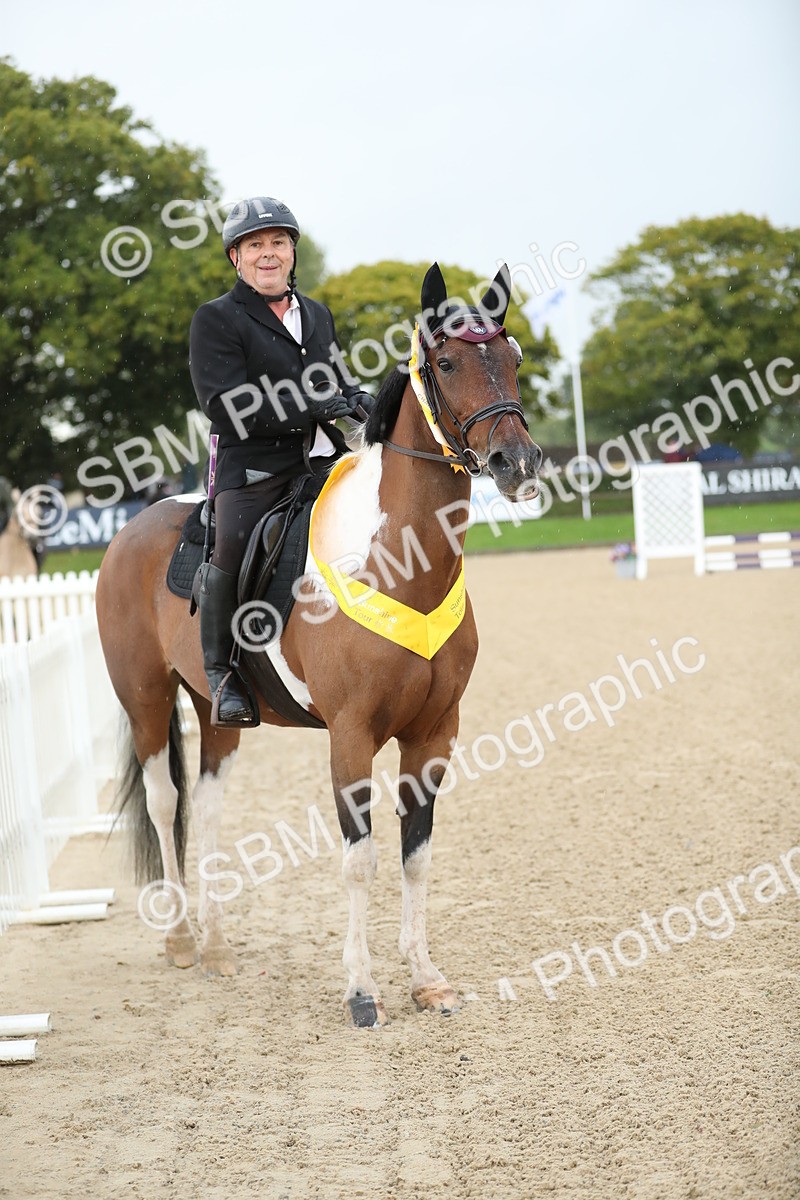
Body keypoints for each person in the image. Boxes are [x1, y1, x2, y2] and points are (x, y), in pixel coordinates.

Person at [189, 196, 374, 727]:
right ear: (236, 258)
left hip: (320, 462)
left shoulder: (316, 315)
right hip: (252, 470)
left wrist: (361, 401)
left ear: (292, 252)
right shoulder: (217, 319)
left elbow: (335, 381)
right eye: (255, 245)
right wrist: (313, 404)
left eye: (277, 243)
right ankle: (222, 672)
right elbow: (226, 405)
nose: (267, 254)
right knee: (234, 542)